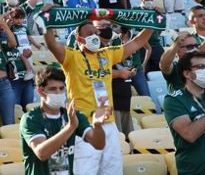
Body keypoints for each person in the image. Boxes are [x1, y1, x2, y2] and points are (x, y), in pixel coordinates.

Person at [44, 19, 153, 174]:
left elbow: (138, 42)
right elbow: (51, 44)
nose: (95, 36)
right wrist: (49, 21)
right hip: (84, 125)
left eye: (96, 33)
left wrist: (152, 23)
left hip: (109, 124)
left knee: (113, 171)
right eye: (90, 34)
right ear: (79, 39)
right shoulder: (71, 57)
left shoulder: (107, 54)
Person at [21, 67, 109, 175]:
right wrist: (70, 127)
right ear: (40, 91)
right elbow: (42, 153)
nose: (58, 92)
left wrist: (98, 126)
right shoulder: (31, 118)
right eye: (53, 89)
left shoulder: (73, 115)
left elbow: (98, 145)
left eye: (61, 88)